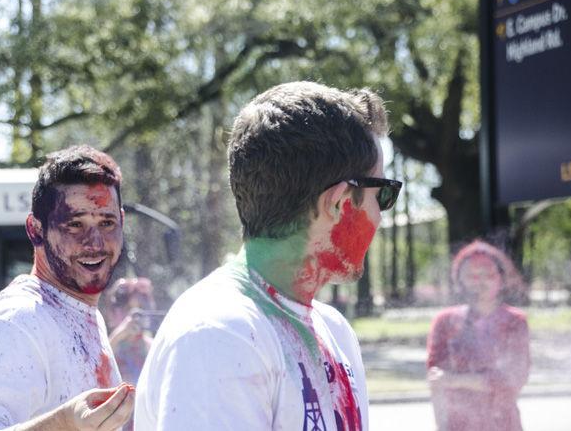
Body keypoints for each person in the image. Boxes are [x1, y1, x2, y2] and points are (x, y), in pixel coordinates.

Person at [134, 81, 401, 430]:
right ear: (337, 203)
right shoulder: (219, 335)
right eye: (382, 193)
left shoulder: (333, 328)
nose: (381, 215)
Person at [0, 145, 135, 431]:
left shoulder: (82, 311)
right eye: (75, 224)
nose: (95, 242)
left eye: (106, 222)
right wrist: (63, 423)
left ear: (121, 221)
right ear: (36, 230)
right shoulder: (15, 321)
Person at [426, 240, 530, 431]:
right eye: (471, 275)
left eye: (487, 274)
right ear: (460, 279)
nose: (480, 281)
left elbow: (513, 379)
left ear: (501, 278)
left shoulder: (515, 322)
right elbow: (436, 380)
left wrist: (455, 379)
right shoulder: (444, 322)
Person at [103, 277, 157, 385]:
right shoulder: (109, 345)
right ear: (113, 312)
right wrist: (120, 333)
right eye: (128, 309)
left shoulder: (152, 346)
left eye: (140, 310)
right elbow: (97, 366)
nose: (134, 318)